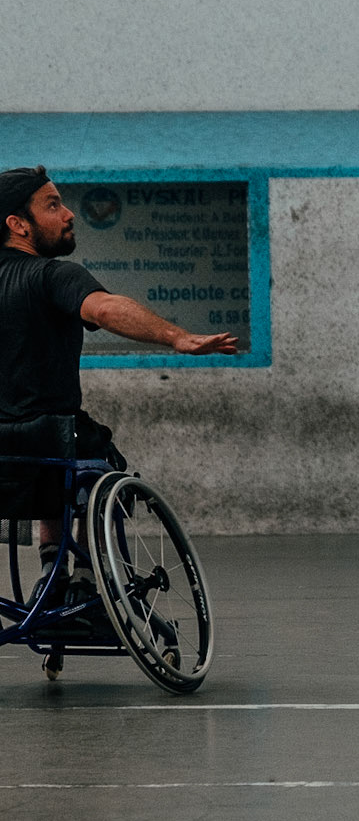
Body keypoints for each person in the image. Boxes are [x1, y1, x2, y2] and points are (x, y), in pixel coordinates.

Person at [0, 165, 238, 605]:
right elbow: (106, 309)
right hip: (51, 437)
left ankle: (51, 573)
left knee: (58, 457)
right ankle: (86, 581)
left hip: (7, 458)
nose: (69, 213)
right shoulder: (53, 276)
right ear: (18, 224)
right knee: (92, 461)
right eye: (52, 205)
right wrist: (177, 337)